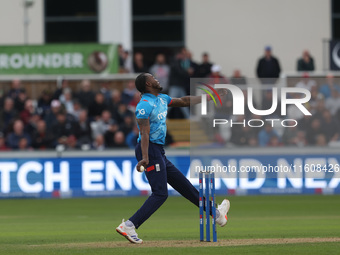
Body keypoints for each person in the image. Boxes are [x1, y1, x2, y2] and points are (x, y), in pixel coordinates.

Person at [115, 73, 230, 244]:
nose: (157, 79)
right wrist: (145, 157)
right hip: (149, 150)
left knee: (186, 188)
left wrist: (210, 96)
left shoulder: (162, 98)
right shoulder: (144, 105)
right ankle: (129, 225)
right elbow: (144, 132)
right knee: (160, 193)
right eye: (153, 77)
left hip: (158, 151)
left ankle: (217, 215)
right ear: (148, 84)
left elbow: (184, 101)